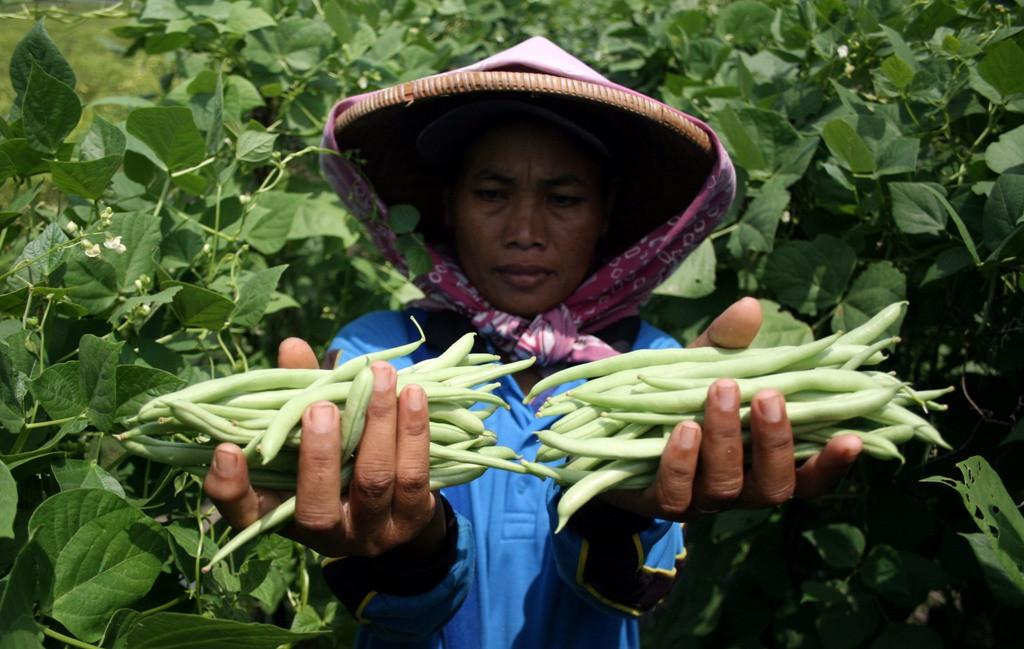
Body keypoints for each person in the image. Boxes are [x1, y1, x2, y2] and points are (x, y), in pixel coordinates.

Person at [204, 37, 862, 648]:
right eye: (492, 192)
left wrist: (615, 508)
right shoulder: (381, 352)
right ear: (449, 203)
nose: (525, 229)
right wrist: (411, 542)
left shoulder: (653, 367)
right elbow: (388, 601)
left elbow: (631, 594)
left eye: (563, 198)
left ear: (605, 210)